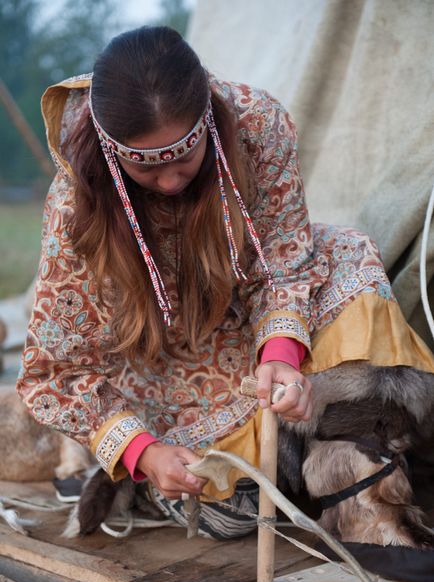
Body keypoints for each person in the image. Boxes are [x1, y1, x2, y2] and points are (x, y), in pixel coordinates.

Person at [17, 26, 434, 540]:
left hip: (253, 318)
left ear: (208, 124)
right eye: (148, 168)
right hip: (165, 358)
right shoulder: (74, 205)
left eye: (183, 159)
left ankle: (349, 472)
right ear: (111, 152)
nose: (170, 181)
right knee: (229, 505)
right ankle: (166, 481)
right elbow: (53, 372)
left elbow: (283, 256)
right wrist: (143, 452)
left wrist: (280, 353)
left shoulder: (259, 125)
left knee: (347, 253)